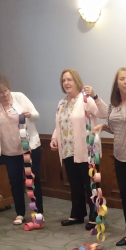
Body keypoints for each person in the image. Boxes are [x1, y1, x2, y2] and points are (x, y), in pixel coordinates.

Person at [86, 68, 126, 249]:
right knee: (125, 196)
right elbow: (116, 128)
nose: (125, 82)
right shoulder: (114, 105)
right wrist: (102, 126)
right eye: (122, 79)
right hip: (119, 156)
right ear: (117, 83)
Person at [0, 75, 43, 225]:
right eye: (0, 93)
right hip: (8, 150)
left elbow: (36, 115)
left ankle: (38, 212)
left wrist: (30, 115)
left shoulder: (19, 97)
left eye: (6, 91)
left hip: (29, 147)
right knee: (15, 181)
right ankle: (20, 213)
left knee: (33, 180)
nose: (4, 95)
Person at [51, 69, 104, 230]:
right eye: (63, 80)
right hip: (67, 149)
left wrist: (95, 96)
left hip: (86, 149)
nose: (66, 83)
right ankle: (77, 214)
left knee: (90, 185)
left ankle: (96, 215)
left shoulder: (86, 99)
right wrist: (54, 138)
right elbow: (60, 123)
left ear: (77, 81)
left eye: (69, 80)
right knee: (74, 184)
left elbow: (103, 113)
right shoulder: (61, 103)